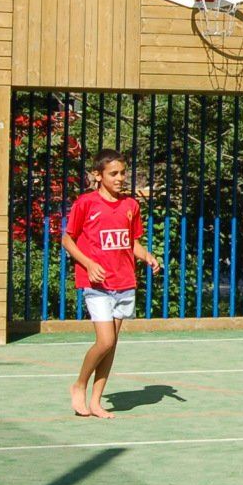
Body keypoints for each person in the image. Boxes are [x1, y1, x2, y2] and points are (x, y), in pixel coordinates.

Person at [63, 149, 162, 419]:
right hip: (97, 284)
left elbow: (132, 243)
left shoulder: (131, 206)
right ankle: (79, 384)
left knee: (112, 345)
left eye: (122, 173)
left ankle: (96, 401)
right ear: (98, 175)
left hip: (124, 282)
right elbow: (67, 240)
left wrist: (147, 256)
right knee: (105, 340)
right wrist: (88, 264)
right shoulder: (86, 203)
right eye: (113, 173)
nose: (120, 178)